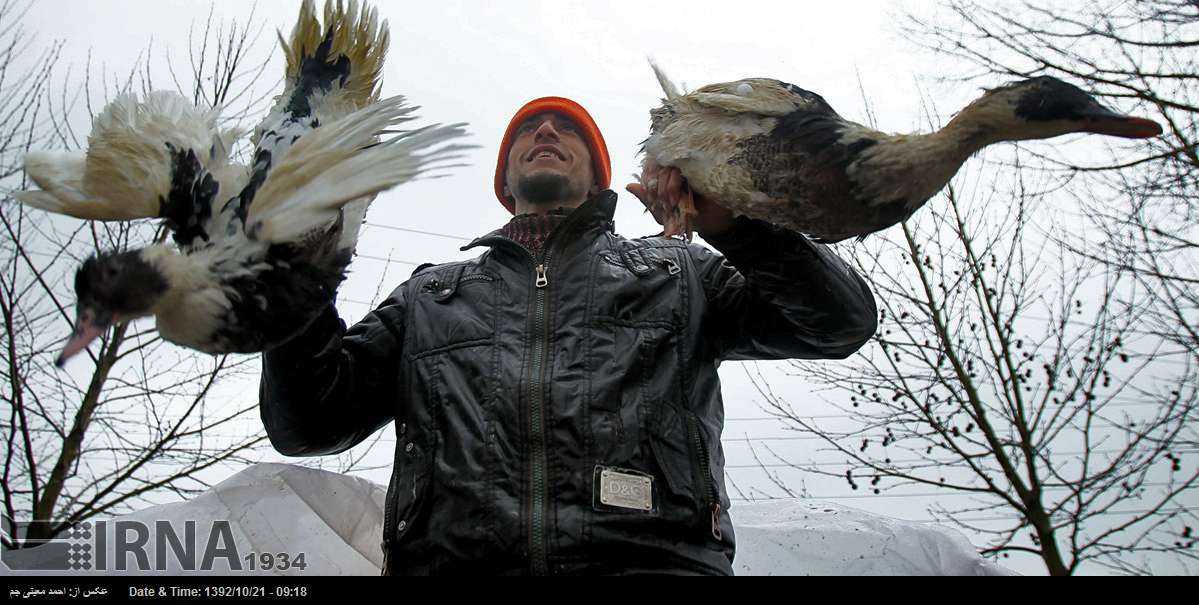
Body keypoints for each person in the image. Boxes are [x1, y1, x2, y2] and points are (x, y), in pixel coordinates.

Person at [260, 96, 877, 576]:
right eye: (530, 130)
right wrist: (298, 273)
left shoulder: (682, 274)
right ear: (505, 180)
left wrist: (736, 226)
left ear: (603, 177)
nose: (547, 132)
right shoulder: (430, 297)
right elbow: (309, 422)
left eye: (567, 128)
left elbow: (839, 323)